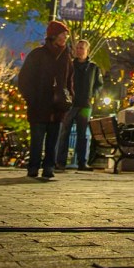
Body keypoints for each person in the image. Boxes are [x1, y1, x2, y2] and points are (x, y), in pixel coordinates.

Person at [17, 20, 74, 180]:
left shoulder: (66, 56)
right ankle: (33, 166)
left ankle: (49, 166)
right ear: (53, 36)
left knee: (53, 139)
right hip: (39, 104)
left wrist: (69, 97)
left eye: (66, 35)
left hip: (58, 106)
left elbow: (69, 80)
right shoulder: (37, 54)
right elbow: (24, 79)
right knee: (37, 138)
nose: (65, 38)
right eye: (62, 35)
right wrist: (31, 98)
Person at [55, 39, 102, 171]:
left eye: (82, 48)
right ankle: (60, 162)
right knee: (65, 133)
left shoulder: (93, 67)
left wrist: (93, 95)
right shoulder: (69, 65)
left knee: (83, 134)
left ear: (87, 50)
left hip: (85, 105)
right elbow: (62, 82)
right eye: (77, 48)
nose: (79, 50)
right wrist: (66, 96)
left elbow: (99, 85)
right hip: (70, 104)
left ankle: (82, 162)